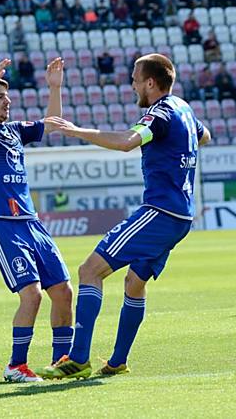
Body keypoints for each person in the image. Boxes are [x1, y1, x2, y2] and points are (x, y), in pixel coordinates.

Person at [38, 53, 212, 379]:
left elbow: (126, 142)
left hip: (159, 212)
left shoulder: (159, 113)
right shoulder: (183, 108)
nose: (131, 84)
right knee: (134, 283)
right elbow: (204, 136)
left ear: (150, 82)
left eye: (135, 78)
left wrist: (76, 131)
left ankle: (77, 358)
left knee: (90, 270)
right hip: (181, 216)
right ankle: (117, 361)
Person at [0, 58, 74, 382]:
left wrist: (54, 87)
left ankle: (62, 362)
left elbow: (54, 123)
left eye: (7, 97)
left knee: (63, 291)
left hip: (31, 222)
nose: (7, 101)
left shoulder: (15, 131)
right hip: (3, 223)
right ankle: (15, 366)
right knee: (32, 294)